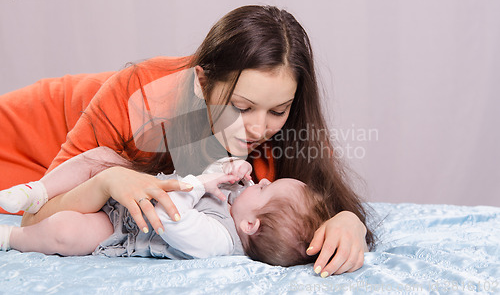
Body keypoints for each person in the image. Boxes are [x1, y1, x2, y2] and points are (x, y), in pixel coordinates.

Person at [0, 5, 372, 276]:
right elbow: (34, 219)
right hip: (21, 135)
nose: (260, 129)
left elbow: (313, 207)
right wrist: (105, 181)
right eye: (241, 107)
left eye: (278, 110)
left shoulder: (285, 126)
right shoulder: (140, 99)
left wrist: (348, 220)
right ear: (202, 83)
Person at [0, 147, 329, 268]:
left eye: (266, 190)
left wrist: (200, 184)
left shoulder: (217, 241)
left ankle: (12, 237)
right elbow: (208, 173)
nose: (264, 181)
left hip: (126, 228)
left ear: (250, 227)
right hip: (134, 190)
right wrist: (229, 167)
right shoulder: (237, 202)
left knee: (66, 232)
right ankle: (36, 191)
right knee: (99, 156)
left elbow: (169, 216)